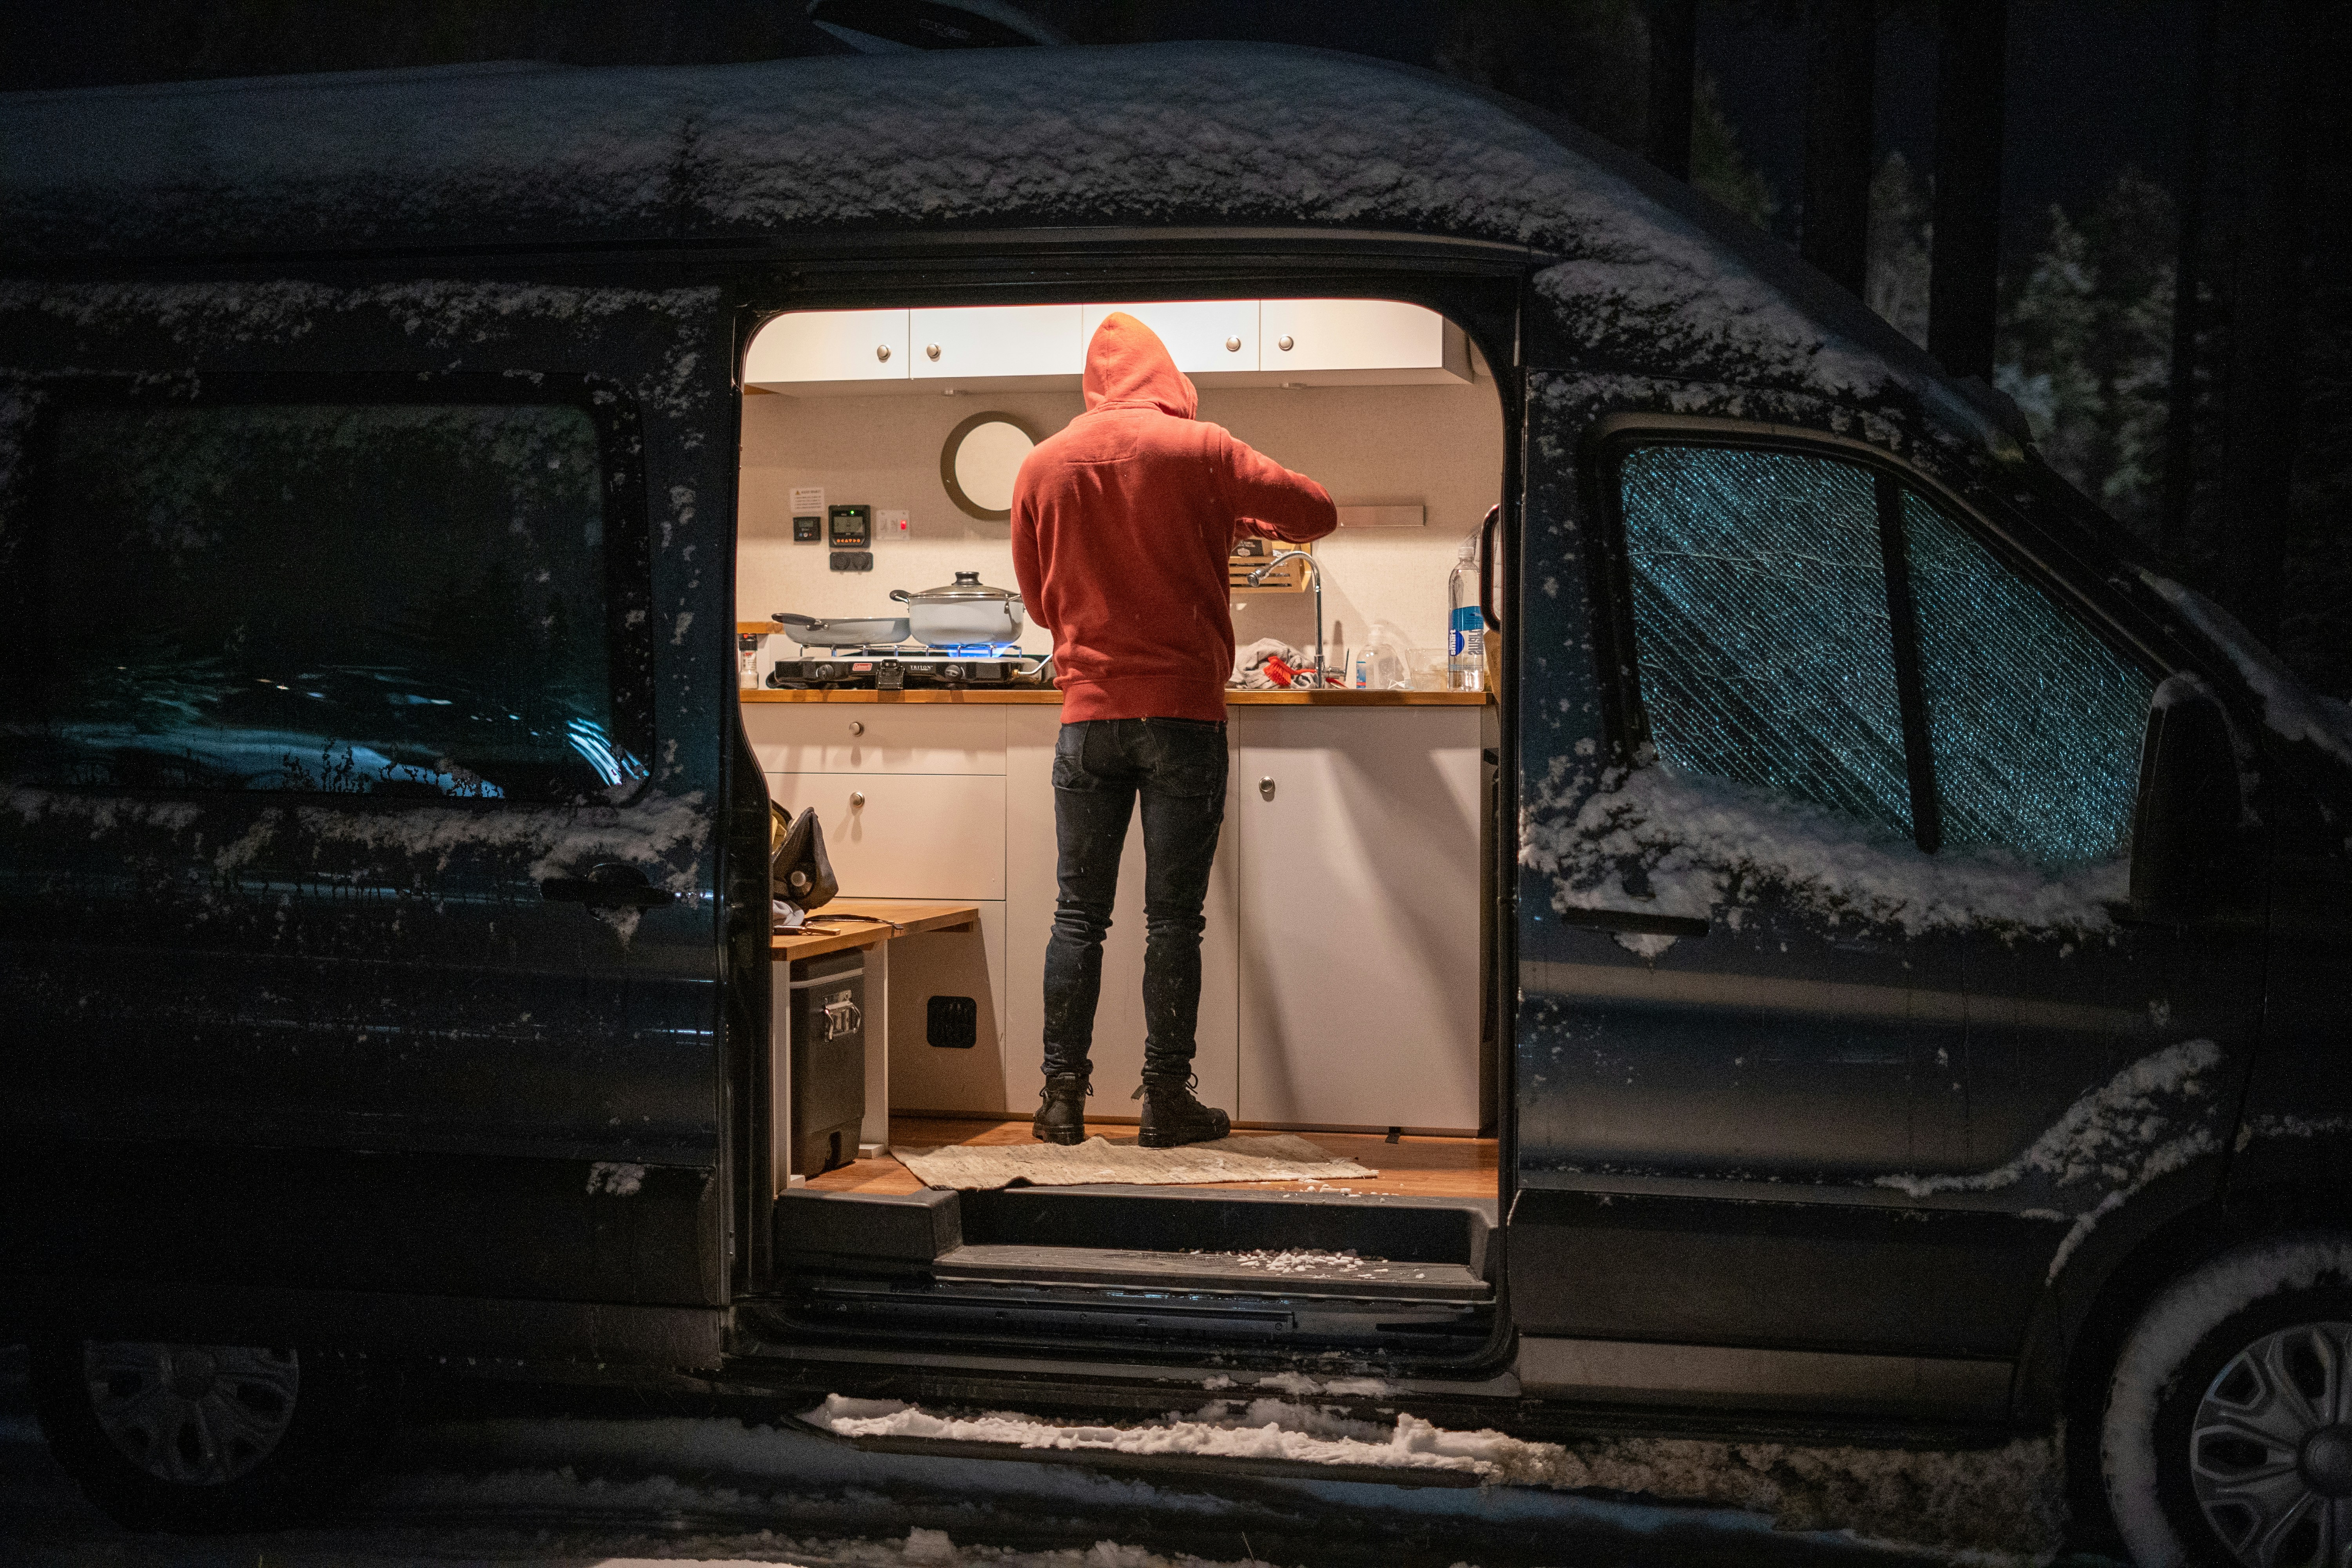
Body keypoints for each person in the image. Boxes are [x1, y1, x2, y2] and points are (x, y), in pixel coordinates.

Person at [1011, 313, 1337, 1147]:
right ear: (1170, 382)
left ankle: (1059, 1101)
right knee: (1172, 919)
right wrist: (1234, 515)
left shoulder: (1042, 466)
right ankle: (1165, 1100)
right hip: (1185, 715)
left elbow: (1043, 604)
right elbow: (1316, 512)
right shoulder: (1206, 450)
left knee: (1077, 914)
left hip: (1089, 717)